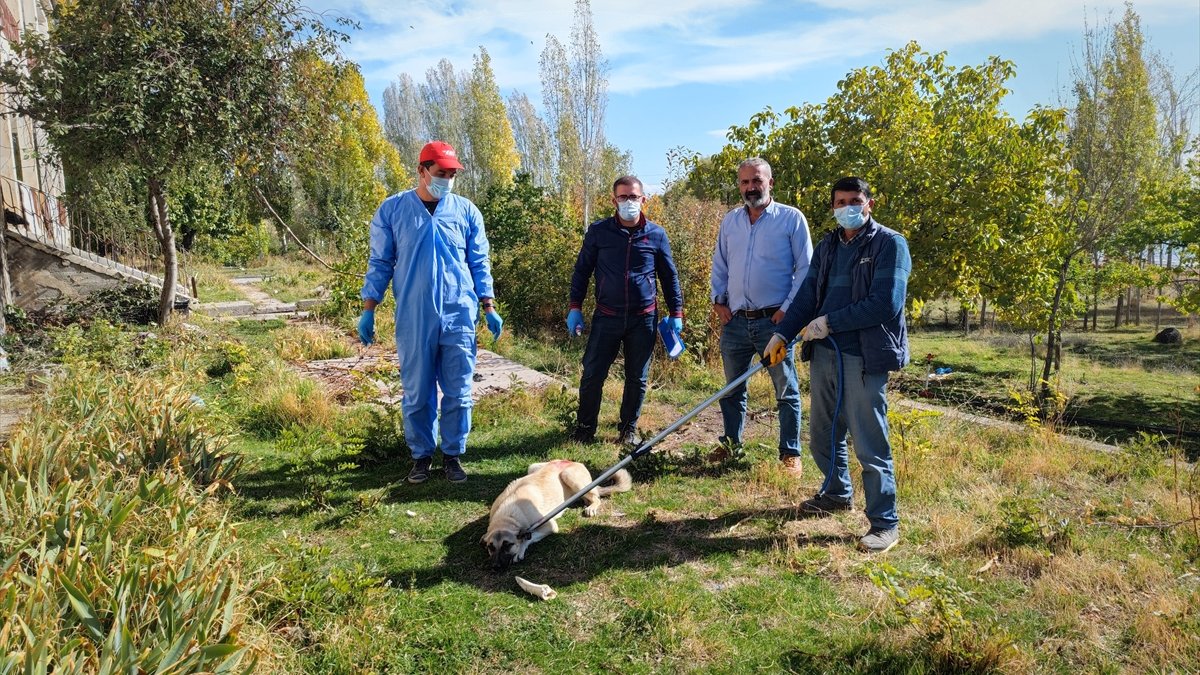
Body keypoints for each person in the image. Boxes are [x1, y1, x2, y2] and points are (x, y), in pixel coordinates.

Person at [764, 176, 911, 553]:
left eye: (855, 200)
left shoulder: (889, 245)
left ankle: (884, 522)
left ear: (869, 204)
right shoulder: (829, 245)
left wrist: (831, 322)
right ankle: (835, 493)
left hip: (863, 355)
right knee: (823, 433)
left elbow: (885, 303)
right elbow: (808, 294)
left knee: (868, 440)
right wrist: (783, 333)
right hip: (825, 353)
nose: (848, 207)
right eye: (840, 201)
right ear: (832, 206)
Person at [357, 140, 503, 484]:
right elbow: (380, 261)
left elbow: (479, 261)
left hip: (458, 313)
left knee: (458, 390)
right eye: (441, 173)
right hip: (415, 315)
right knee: (418, 391)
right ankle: (421, 456)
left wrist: (488, 304)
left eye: (452, 174)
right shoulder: (393, 211)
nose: (447, 180)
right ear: (422, 171)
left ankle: (452, 455)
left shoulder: (466, 211)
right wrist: (369, 308)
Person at [710, 158, 813, 476]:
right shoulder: (731, 222)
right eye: (744, 182)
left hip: (775, 324)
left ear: (770, 183)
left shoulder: (791, 220)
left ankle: (790, 455)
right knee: (731, 388)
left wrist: (789, 311)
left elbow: (806, 269)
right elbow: (721, 263)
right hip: (737, 323)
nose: (750, 187)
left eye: (756, 180)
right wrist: (719, 300)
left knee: (786, 388)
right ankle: (731, 446)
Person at [568, 175, 684, 446]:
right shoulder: (599, 232)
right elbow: (582, 271)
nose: (629, 202)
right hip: (606, 315)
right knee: (593, 373)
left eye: (634, 197)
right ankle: (585, 428)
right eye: (623, 197)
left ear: (644, 200)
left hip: (643, 318)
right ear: (614, 200)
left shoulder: (656, 234)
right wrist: (575, 306)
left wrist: (676, 313)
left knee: (637, 377)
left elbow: (669, 276)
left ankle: (628, 429)